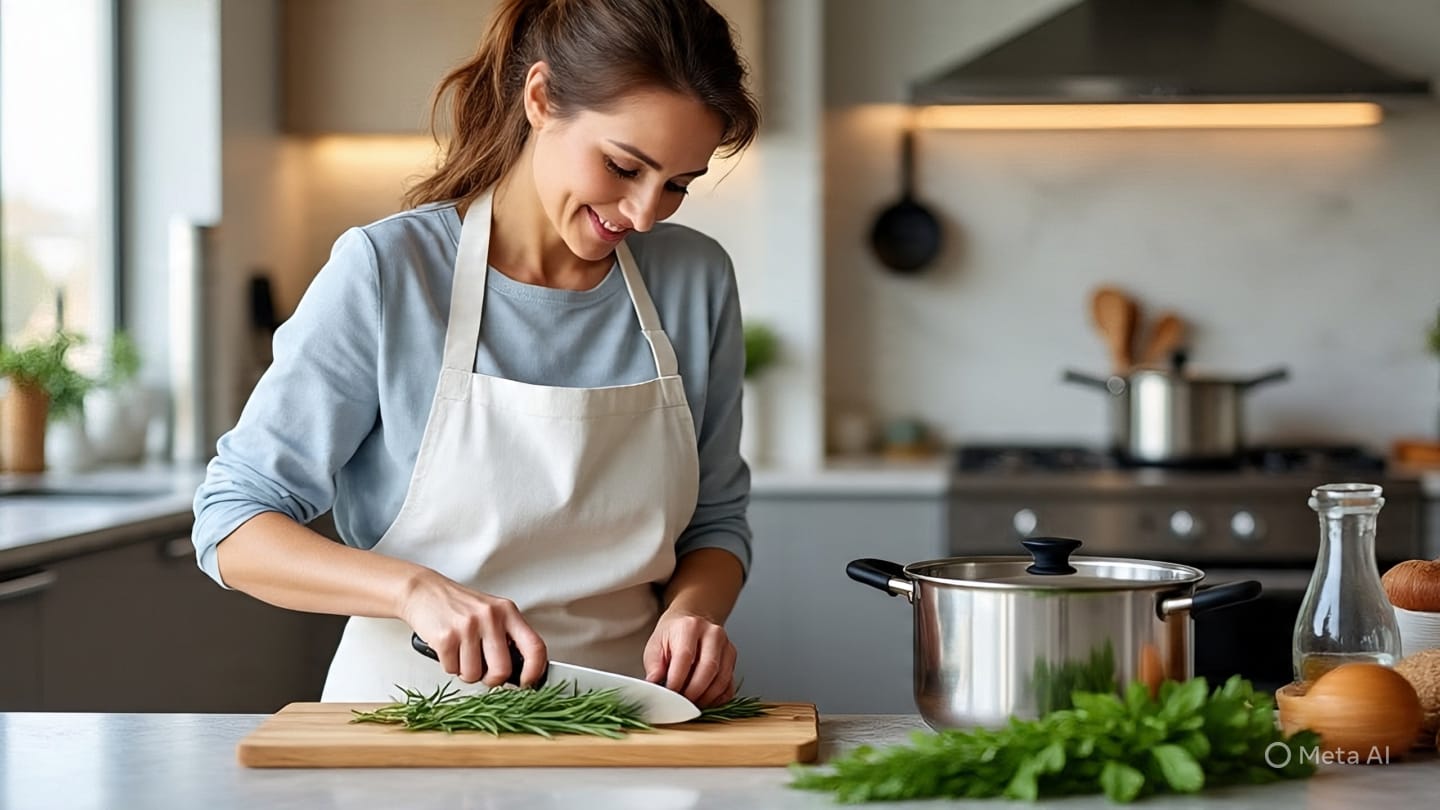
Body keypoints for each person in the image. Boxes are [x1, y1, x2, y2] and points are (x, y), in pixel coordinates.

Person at [192, 0, 760, 708]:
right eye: (623, 166)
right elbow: (233, 520)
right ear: (541, 99)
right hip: (406, 712)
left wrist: (692, 613)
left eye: (677, 184)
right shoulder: (388, 271)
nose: (643, 213)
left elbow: (715, 521)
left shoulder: (695, 281)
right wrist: (412, 589)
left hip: (626, 715)